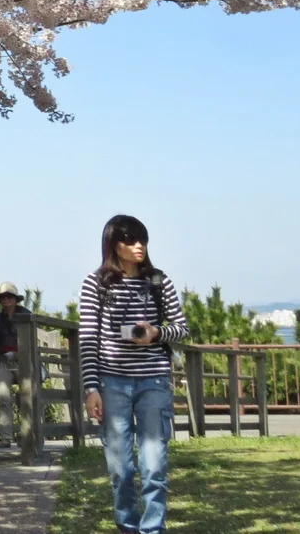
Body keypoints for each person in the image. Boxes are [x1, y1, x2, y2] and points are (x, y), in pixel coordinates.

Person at [79, 215, 189, 534]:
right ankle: (127, 525)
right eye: (130, 240)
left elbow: (181, 328)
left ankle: (153, 528)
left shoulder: (158, 281)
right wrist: (91, 388)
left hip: (154, 381)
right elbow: (88, 339)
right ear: (115, 244)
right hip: (111, 382)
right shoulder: (95, 283)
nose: (139, 246)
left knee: (154, 463)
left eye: (143, 239)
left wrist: (156, 334)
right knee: (121, 467)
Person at [0, 282, 24, 442]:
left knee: (27, 398)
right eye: (3, 297)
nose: (6, 299)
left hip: (23, 360)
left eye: (9, 296)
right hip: (3, 360)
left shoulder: (26, 315)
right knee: (3, 396)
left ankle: (29, 435)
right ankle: (6, 437)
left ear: (15, 299)